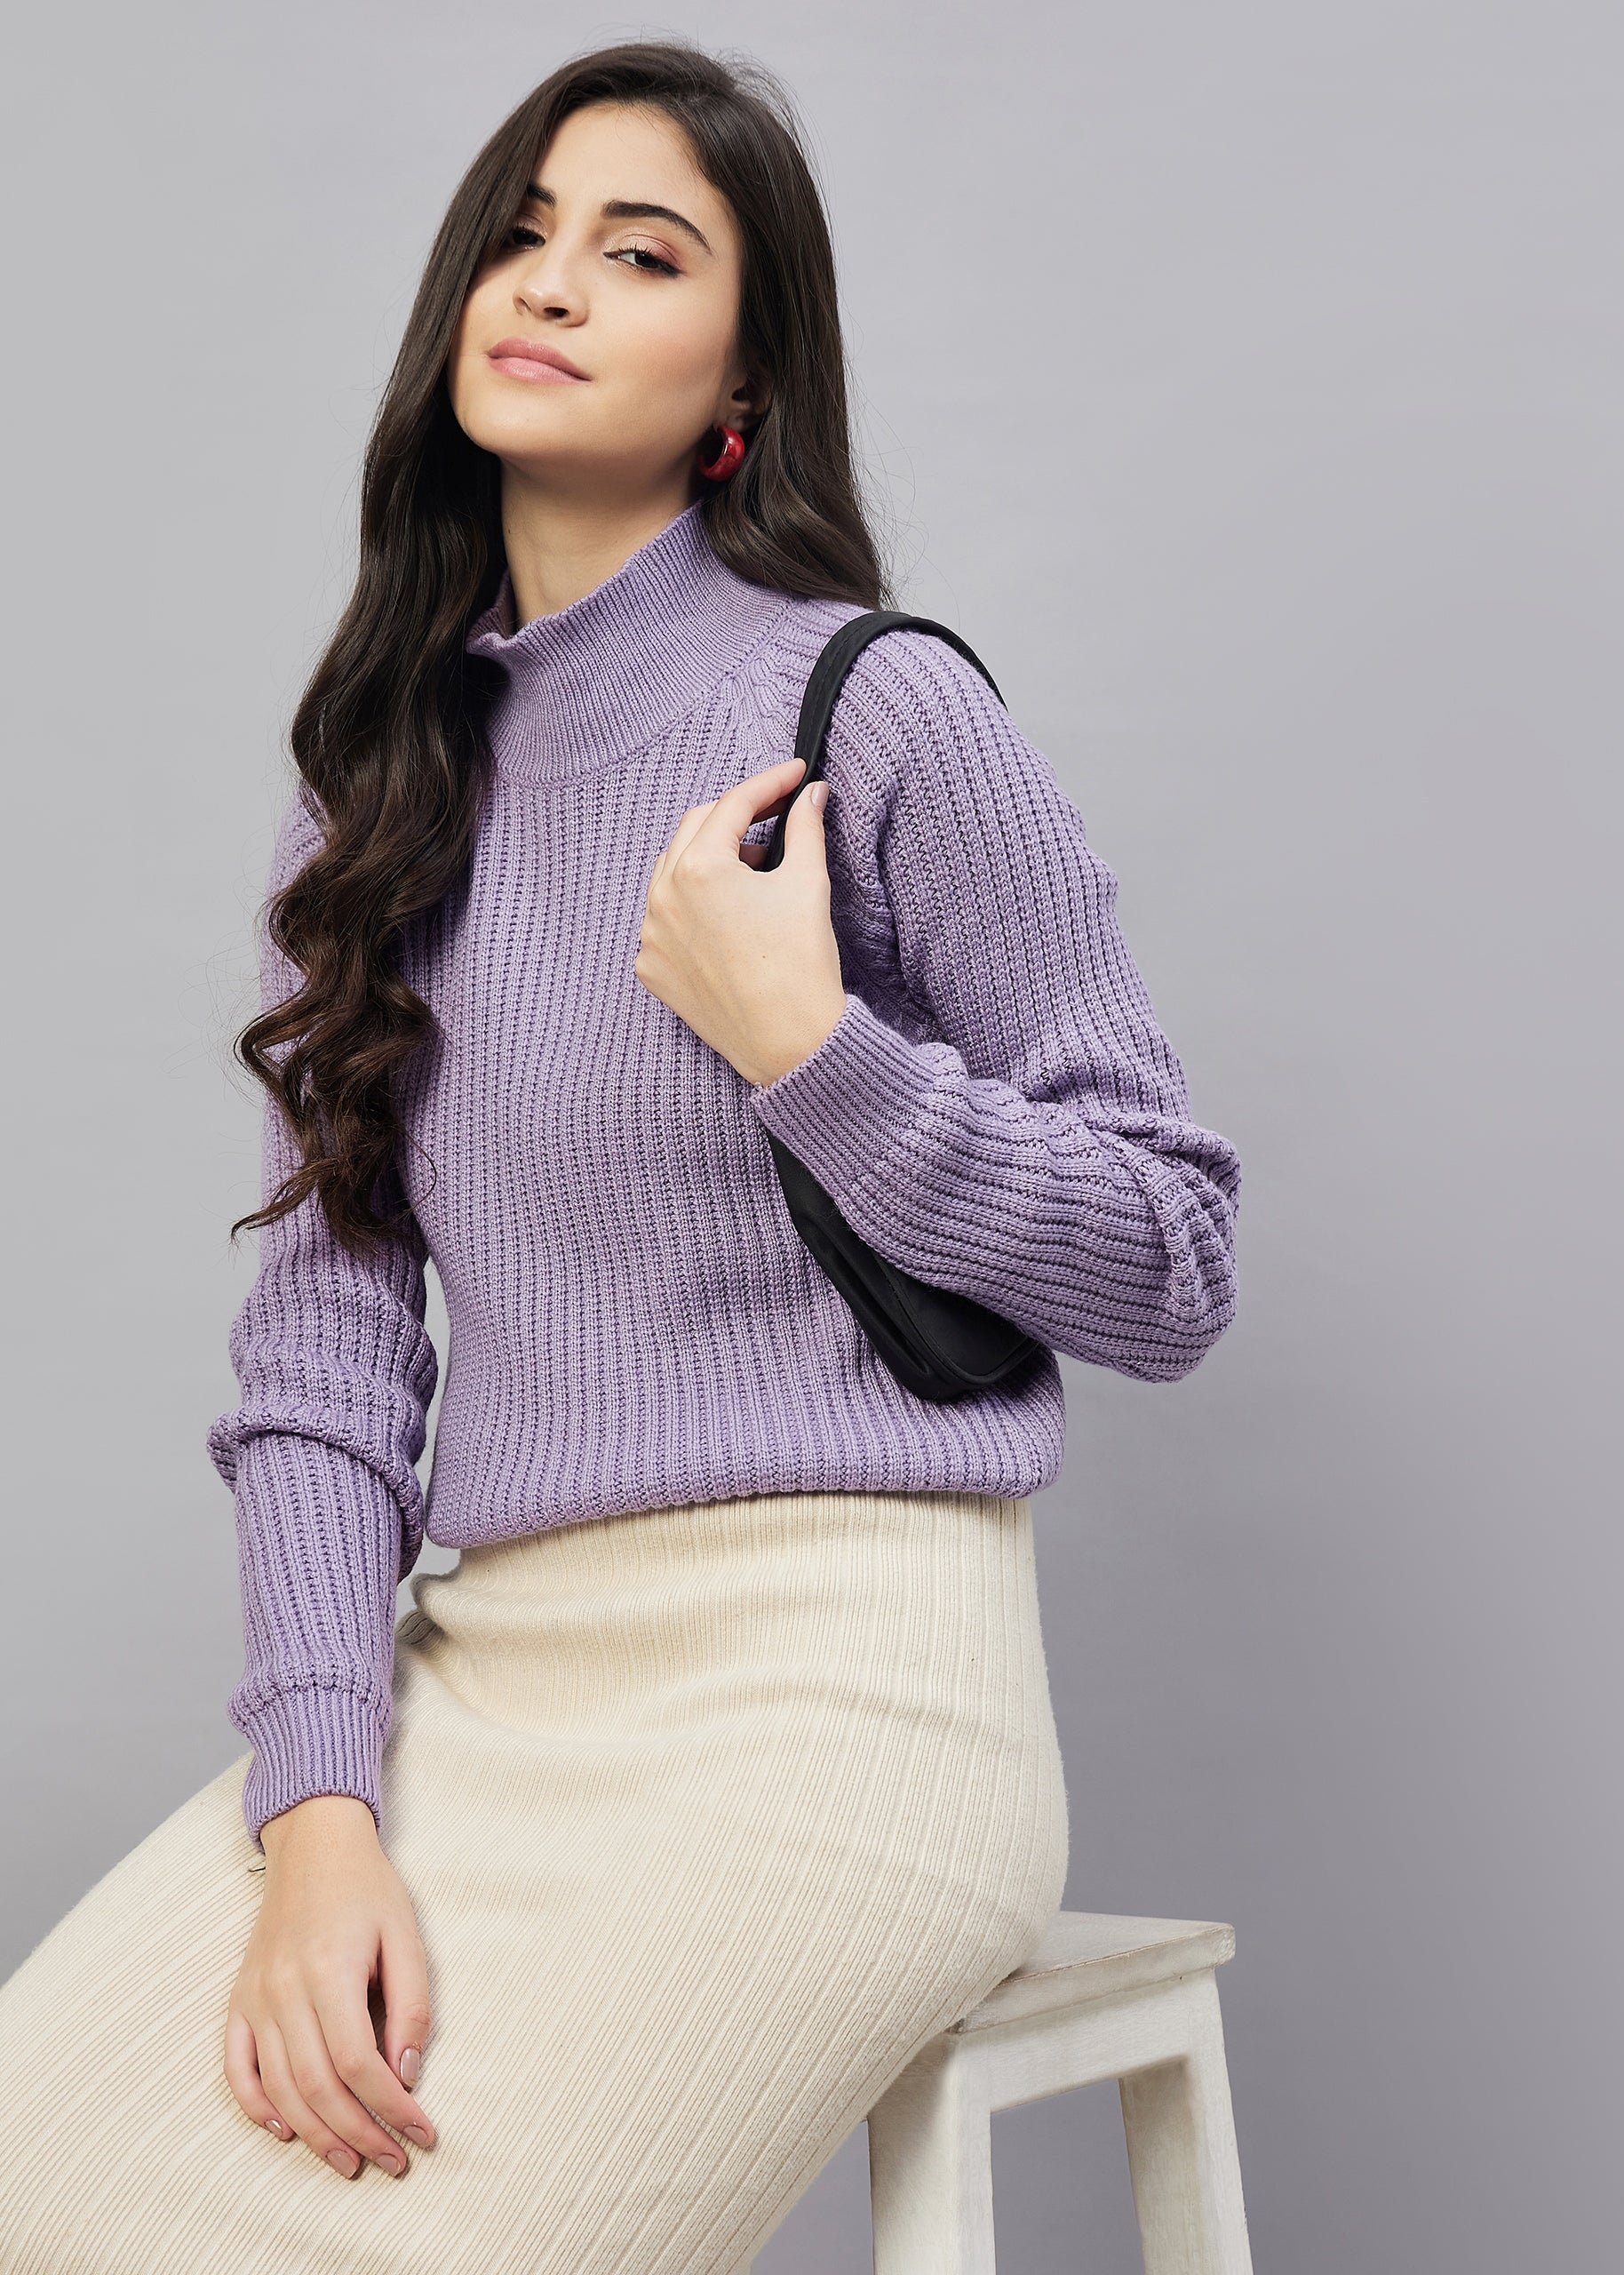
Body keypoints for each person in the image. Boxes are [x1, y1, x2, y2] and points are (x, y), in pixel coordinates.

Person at [0, 37, 1240, 2274]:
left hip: (841, 1692)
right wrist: (317, 1806)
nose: (553, 281)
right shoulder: (387, 787)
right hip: (484, 1673)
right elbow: (324, 1354)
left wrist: (813, 1051)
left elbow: (1173, 1259)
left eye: (642, 251)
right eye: (522, 232)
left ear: (746, 375)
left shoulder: (876, 713)